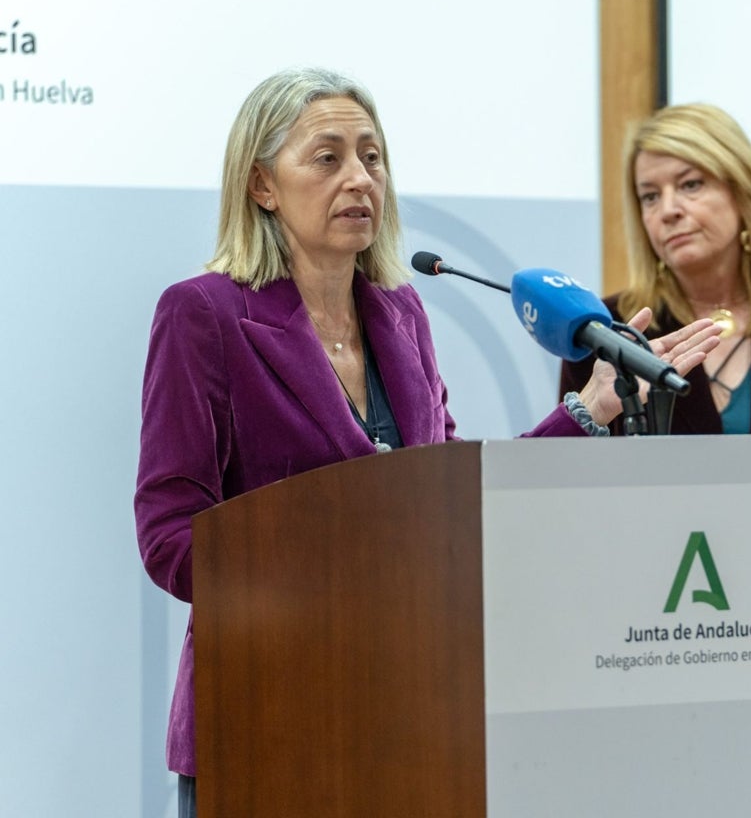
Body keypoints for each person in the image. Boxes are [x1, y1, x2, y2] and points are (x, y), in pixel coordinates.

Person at [134, 67, 721, 818]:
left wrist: (591, 408)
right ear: (261, 185)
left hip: (406, 712)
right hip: (267, 712)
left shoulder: (401, 313)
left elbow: (453, 496)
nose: (360, 179)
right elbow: (168, 535)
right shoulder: (204, 314)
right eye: (328, 157)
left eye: (372, 158)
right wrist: (333, 568)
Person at [559, 103, 751, 434]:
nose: (668, 210)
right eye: (650, 196)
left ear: (743, 193)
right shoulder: (601, 332)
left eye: (690, 185)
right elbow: (573, 476)